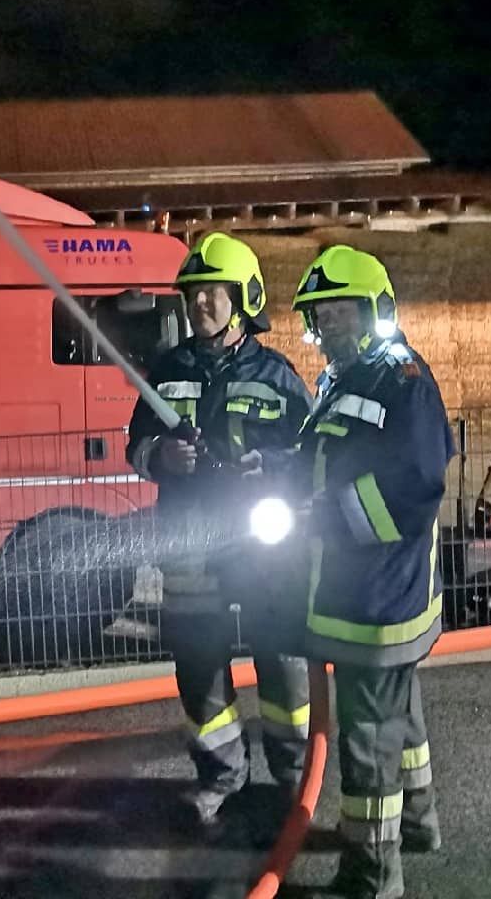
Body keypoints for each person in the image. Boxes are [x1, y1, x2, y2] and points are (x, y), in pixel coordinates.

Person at [126, 232, 315, 828]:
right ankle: (221, 777)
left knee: (281, 658)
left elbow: (310, 451)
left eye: (213, 292)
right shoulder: (168, 369)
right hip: (190, 542)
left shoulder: (277, 375)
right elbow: (136, 445)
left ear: (244, 298)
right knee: (198, 662)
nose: (200, 303)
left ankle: (294, 776)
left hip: (263, 545)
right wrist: (161, 457)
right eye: (193, 294)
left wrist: (274, 465)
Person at [284, 244, 454, 899]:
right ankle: (418, 823)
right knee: (398, 718)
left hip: (375, 603)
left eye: (341, 311)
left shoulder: (402, 382)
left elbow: (414, 489)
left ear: (374, 309)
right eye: (320, 314)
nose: (328, 325)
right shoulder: (347, 378)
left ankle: (372, 874)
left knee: (367, 740)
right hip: (375, 597)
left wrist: (328, 519)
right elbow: (328, 458)